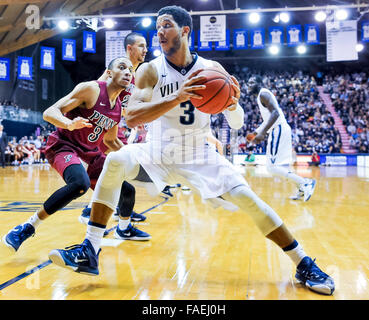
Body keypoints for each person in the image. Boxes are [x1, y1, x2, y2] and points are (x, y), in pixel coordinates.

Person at [48, 6, 334, 295]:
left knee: (248, 199)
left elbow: (237, 123)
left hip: (199, 153)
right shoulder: (150, 70)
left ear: (185, 30)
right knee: (116, 160)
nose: (159, 32)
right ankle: (89, 249)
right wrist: (177, 97)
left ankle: (303, 262)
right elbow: (132, 116)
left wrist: (232, 105)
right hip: (158, 152)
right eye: (157, 27)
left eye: (167, 26)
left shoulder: (212, 70)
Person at [2, 57, 149, 253]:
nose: (128, 72)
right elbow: (49, 112)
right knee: (80, 184)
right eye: (121, 67)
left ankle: (122, 229)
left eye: (130, 69)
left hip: (91, 152)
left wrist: (136, 158)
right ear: (109, 72)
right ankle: (27, 227)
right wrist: (68, 123)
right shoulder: (91, 89)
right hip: (64, 145)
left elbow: (111, 141)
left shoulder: (116, 108)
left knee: (127, 190)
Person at [78, 33, 151, 239]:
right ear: (129, 48)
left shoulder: (134, 75)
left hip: (115, 128)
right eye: (141, 46)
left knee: (123, 173)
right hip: (104, 130)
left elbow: (123, 105)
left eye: (146, 46)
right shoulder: (119, 69)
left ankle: (122, 212)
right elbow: (99, 91)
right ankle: (98, 212)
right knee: (120, 171)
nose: (145, 50)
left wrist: (135, 115)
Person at [247, 76, 316, 202]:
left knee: (272, 167)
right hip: (279, 129)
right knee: (279, 167)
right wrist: (256, 132)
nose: (249, 85)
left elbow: (276, 113)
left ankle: (305, 183)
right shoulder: (261, 96)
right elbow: (269, 118)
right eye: (248, 83)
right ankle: (301, 187)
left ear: (259, 83)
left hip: (278, 129)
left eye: (252, 82)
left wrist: (262, 133)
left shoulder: (263, 94)